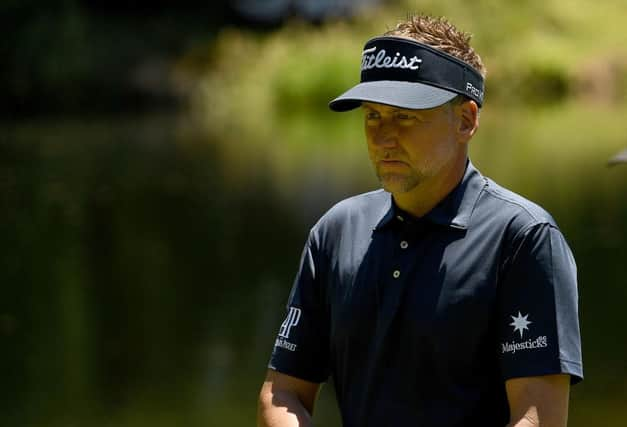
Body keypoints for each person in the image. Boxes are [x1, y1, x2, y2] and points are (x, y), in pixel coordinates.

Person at [257, 14, 583, 427]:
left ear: (465, 119)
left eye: (405, 116)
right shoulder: (336, 231)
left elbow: (537, 418)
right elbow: (282, 392)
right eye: (373, 115)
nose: (383, 136)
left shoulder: (523, 237)